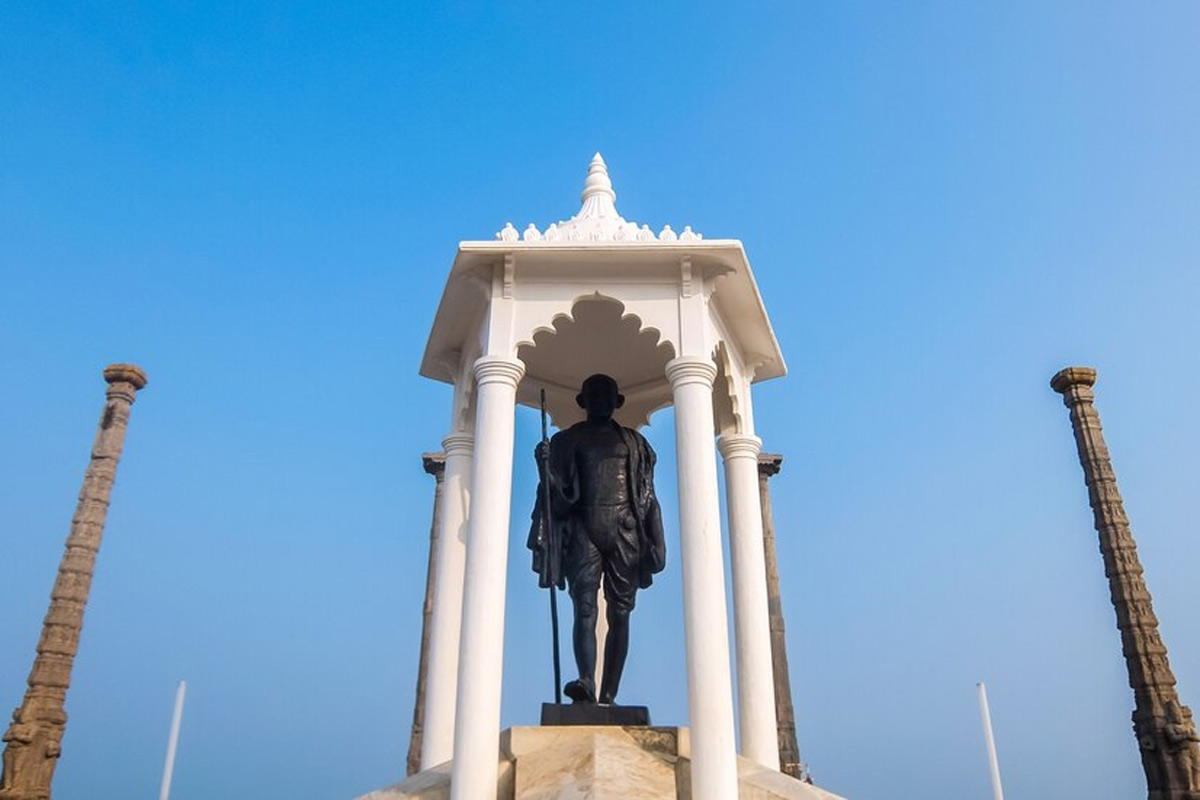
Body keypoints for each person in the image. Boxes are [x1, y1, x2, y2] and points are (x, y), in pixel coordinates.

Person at [528, 374, 665, 704]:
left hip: (625, 529)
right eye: (594, 395)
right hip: (583, 528)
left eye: (607, 395)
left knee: (620, 613)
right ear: (583, 401)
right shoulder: (565, 441)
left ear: (617, 401)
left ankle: (608, 694)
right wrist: (543, 466)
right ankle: (587, 680)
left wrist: (658, 539)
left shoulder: (635, 444)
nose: (600, 400)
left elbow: (648, 496)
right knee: (584, 608)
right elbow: (557, 497)